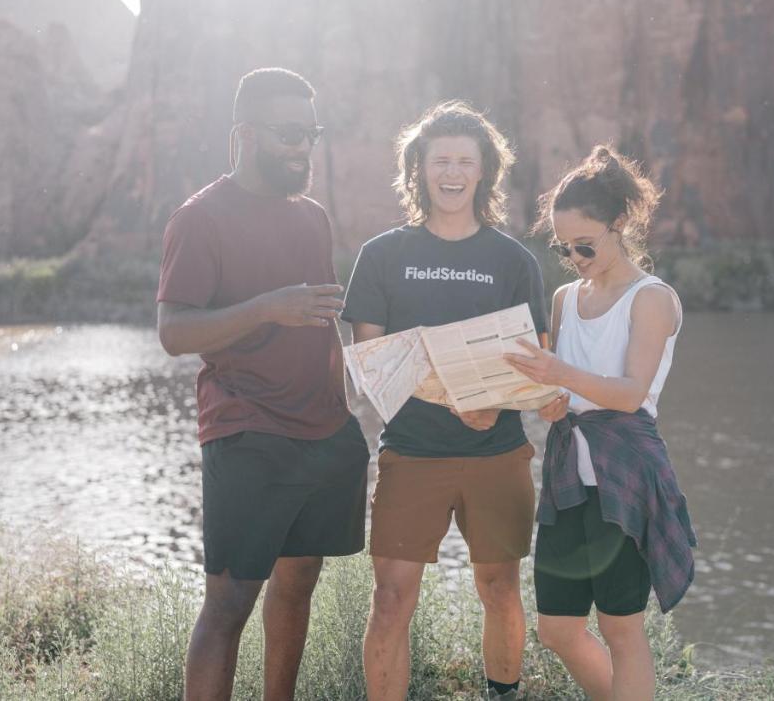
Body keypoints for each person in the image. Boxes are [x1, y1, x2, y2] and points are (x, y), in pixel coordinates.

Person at [156, 67, 369, 701]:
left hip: (325, 432)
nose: (302, 147)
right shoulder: (199, 220)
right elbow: (173, 332)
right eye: (287, 134)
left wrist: (350, 399)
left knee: (299, 581)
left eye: (310, 134)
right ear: (244, 135)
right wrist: (266, 307)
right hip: (247, 430)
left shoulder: (313, 219)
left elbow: (321, 320)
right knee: (228, 603)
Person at [342, 101, 548, 701]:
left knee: (501, 591)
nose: (452, 173)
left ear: (485, 171)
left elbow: (535, 361)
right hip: (412, 454)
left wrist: (496, 404)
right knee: (389, 602)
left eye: (465, 161)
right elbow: (371, 367)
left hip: (499, 453)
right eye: (440, 161)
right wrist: (453, 396)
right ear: (419, 169)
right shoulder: (382, 256)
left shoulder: (514, 260)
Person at [504, 145, 697, 701]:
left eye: (584, 244)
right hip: (568, 473)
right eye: (564, 248)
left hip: (626, 470)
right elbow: (565, 391)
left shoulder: (652, 299)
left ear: (619, 226)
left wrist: (560, 372)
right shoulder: (566, 298)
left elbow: (631, 395)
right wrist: (550, 401)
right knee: (557, 627)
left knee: (620, 627)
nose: (575, 257)